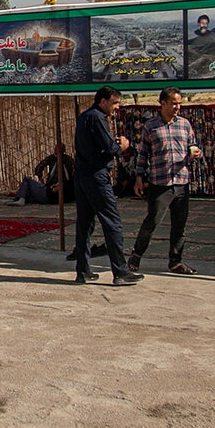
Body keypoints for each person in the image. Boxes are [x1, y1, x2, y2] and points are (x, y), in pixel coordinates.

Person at [73, 86, 142, 286]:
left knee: (84, 224)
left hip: (83, 175)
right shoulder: (97, 118)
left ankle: (82, 270)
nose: (117, 107)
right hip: (96, 176)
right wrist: (123, 145)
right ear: (102, 101)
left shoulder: (85, 117)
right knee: (112, 222)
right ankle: (120, 271)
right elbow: (110, 148)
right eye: (114, 103)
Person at [127, 86, 201, 275]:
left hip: (181, 181)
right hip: (160, 183)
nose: (177, 107)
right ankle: (136, 256)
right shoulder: (151, 126)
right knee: (152, 222)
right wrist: (139, 178)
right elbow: (143, 154)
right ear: (163, 103)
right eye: (174, 103)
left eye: (179, 103)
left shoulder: (184, 124)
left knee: (179, 225)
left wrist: (195, 152)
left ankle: (175, 261)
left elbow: (192, 145)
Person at [7, 145, 75, 205]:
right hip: (52, 185)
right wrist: (40, 178)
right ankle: (19, 199)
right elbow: (39, 168)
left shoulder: (68, 160)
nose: (57, 151)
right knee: (29, 190)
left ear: (63, 150)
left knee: (27, 180)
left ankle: (20, 199)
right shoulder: (51, 158)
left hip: (54, 190)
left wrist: (57, 185)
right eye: (56, 149)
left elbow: (56, 188)